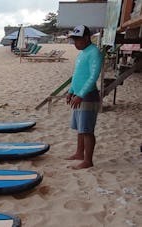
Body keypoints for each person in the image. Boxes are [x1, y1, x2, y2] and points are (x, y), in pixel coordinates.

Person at [65, 25, 102, 169]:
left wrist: (80, 94)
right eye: (73, 39)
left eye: (77, 39)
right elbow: (77, 75)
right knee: (80, 128)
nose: (74, 43)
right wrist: (71, 91)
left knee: (87, 130)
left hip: (88, 95)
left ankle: (88, 160)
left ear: (86, 38)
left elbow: (93, 77)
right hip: (78, 94)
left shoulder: (94, 53)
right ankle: (79, 153)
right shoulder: (81, 53)